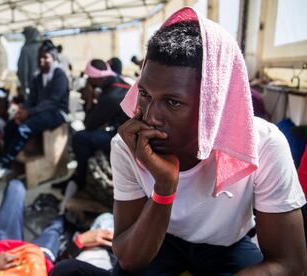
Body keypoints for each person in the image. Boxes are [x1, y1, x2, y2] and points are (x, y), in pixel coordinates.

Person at [112, 8, 306, 275]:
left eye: (173, 102)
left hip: (227, 246)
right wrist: (165, 187)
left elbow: (290, 264)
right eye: (144, 93)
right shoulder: (127, 145)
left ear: (214, 104)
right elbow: (129, 260)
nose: (151, 117)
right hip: (162, 237)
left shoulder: (263, 146)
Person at [0, 40, 69, 183]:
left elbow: (52, 102)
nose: (41, 60)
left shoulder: (60, 75)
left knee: (24, 129)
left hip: (57, 113)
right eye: (39, 57)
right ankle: (6, 163)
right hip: (40, 113)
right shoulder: (38, 78)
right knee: (11, 125)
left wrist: (29, 112)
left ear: (53, 58)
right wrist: (22, 110)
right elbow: (31, 99)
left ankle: (3, 164)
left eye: (45, 57)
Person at [57, 59, 129, 213]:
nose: (88, 81)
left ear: (97, 78)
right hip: (124, 131)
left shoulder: (111, 95)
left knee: (80, 138)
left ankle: (80, 178)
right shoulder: (119, 83)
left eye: (90, 78)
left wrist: (89, 100)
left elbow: (89, 124)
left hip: (123, 139)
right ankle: (79, 176)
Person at [17, 26, 41, 96]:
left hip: (32, 88)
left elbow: (23, 71)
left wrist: (24, 88)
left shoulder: (25, 49)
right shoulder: (43, 46)